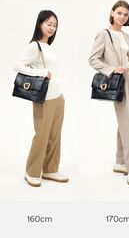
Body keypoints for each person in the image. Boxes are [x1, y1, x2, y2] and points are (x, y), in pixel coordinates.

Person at [89, 0, 129, 186]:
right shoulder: (103, 34)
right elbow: (93, 59)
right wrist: (113, 69)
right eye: (119, 13)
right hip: (119, 82)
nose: (122, 17)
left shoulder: (128, 37)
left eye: (126, 14)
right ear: (112, 13)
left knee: (127, 124)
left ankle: (121, 162)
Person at [14, 10, 69, 187]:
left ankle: (50, 169)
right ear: (40, 24)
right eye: (49, 24)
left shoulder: (49, 47)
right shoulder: (34, 46)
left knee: (55, 135)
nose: (52, 27)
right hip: (43, 97)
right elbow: (17, 65)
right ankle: (31, 171)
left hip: (58, 96)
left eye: (55, 25)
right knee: (42, 135)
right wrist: (41, 72)